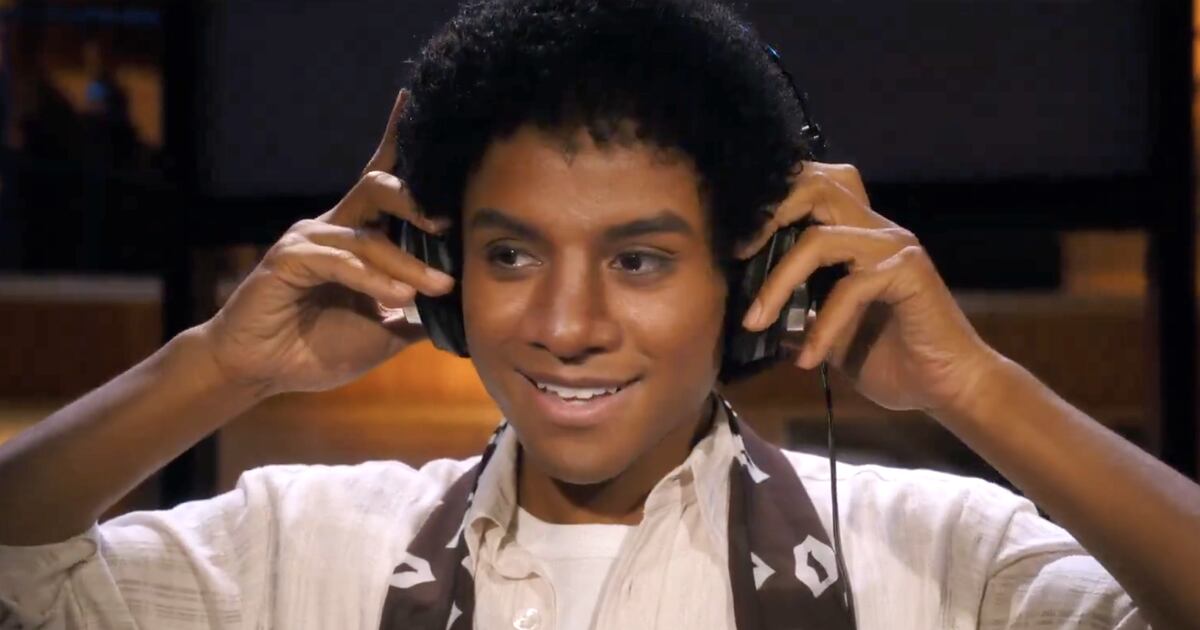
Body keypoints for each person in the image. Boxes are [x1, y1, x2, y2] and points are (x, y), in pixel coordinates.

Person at [1, 0, 1197, 628]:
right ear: (440, 268)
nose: (566, 324)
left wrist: (974, 387)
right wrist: (221, 364)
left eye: (637, 260)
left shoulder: (935, 555)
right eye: (511, 253)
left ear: (756, 278)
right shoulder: (306, 545)